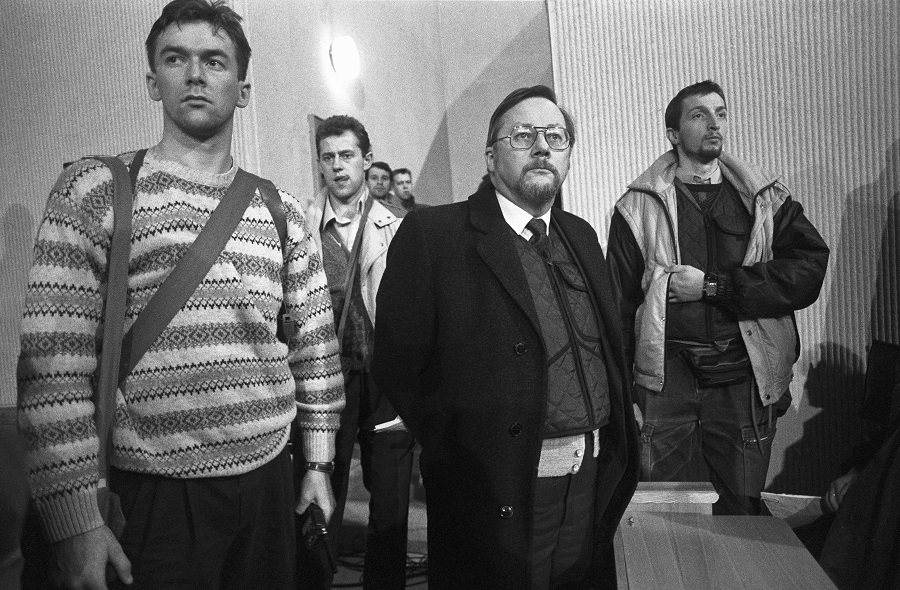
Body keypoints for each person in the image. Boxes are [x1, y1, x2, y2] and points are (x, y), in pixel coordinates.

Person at [16, 1, 345, 588]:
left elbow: (315, 347)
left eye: (214, 61)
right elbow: (53, 365)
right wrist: (74, 521)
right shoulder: (95, 191)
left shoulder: (282, 210)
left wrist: (318, 461)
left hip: (268, 480)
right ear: (153, 82)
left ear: (242, 91)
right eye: (176, 59)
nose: (195, 74)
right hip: (153, 490)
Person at [372, 85, 639, 589]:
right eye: (522, 135)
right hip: (495, 484)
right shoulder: (435, 235)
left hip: (590, 468)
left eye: (555, 136)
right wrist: (462, 449)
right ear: (491, 157)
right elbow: (396, 361)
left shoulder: (582, 235)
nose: (541, 147)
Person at [607, 80, 829, 515]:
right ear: (673, 134)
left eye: (721, 113)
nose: (715, 123)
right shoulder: (636, 207)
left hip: (742, 377)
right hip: (664, 380)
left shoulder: (765, 198)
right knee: (658, 511)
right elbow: (617, 306)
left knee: (742, 509)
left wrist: (714, 286)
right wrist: (621, 395)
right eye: (699, 114)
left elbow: (808, 272)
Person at [304, 115, 415, 589]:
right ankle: (317, 580)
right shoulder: (300, 227)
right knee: (320, 488)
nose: (337, 166)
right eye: (328, 157)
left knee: (389, 497)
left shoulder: (399, 227)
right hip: (327, 377)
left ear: (366, 160)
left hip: (386, 378)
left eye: (346, 155)